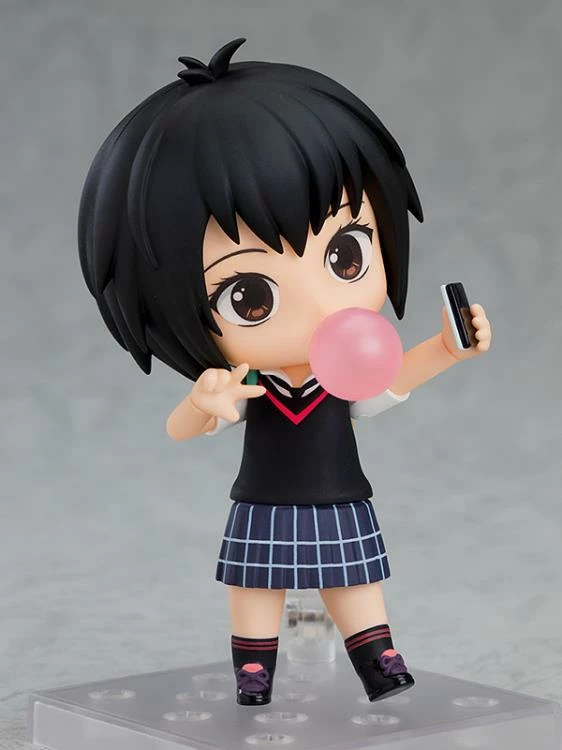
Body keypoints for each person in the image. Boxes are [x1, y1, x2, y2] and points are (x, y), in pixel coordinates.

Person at [78, 38, 492, 706]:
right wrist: (203, 401)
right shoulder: (248, 383)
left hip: (339, 495)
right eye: (250, 296)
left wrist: (446, 348)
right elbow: (180, 430)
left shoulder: (343, 370)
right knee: (255, 583)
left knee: (353, 578)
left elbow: (388, 383)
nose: (322, 308)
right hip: (263, 499)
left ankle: (378, 656)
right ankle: (253, 667)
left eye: (346, 256)